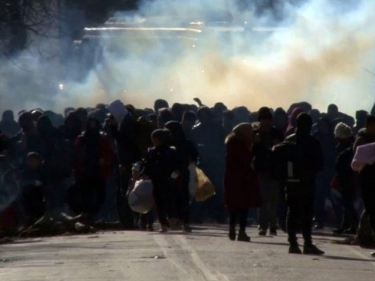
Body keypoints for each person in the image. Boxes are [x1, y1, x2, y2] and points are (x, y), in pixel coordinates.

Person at [274, 113, 325, 255]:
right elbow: (319, 163)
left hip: (291, 182)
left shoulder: (288, 142)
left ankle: (293, 243)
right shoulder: (312, 142)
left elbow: (278, 159)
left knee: (293, 212)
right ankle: (307, 243)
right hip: (306, 182)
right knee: (306, 214)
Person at [73, 117, 115, 220]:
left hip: (99, 170)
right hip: (85, 170)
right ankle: (87, 215)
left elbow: (109, 153)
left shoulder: (102, 138)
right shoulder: (81, 138)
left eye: (94, 124)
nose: (92, 126)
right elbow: (76, 153)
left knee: (101, 195)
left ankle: (93, 214)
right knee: (86, 195)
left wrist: (104, 159)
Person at [224, 123, 260, 242]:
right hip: (243, 178)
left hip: (232, 178)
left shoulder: (231, 143)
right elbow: (247, 159)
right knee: (243, 206)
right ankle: (241, 232)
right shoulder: (242, 144)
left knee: (233, 205)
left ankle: (232, 228)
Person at [253, 107, 284, 236]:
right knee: (262, 199)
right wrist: (256, 143)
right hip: (261, 169)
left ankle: (272, 225)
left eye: (268, 119)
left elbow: (283, 150)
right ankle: (262, 225)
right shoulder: (255, 133)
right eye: (264, 119)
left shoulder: (276, 133)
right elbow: (252, 151)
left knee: (273, 199)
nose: (266, 122)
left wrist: (278, 145)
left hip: (274, 169)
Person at [144, 129, 181, 233]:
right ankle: (166, 223)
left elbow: (177, 166)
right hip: (162, 180)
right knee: (163, 202)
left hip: (163, 180)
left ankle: (169, 222)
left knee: (164, 202)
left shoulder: (166, 151)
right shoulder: (156, 151)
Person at [165, 121, 198, 232]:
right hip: (183, 172)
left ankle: (174, 220)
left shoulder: (168, 143)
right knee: (183, 198)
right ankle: (185, 222)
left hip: (173, 173)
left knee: (173, 197)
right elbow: (194, 156)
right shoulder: (186, 142)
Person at [333, 122, 358, 234]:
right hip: (348, 177)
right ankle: (347, 224)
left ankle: (353, 224)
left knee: (347, 203)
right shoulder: (353, 145)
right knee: (347, 202)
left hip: (347, 178)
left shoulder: (346, 149)